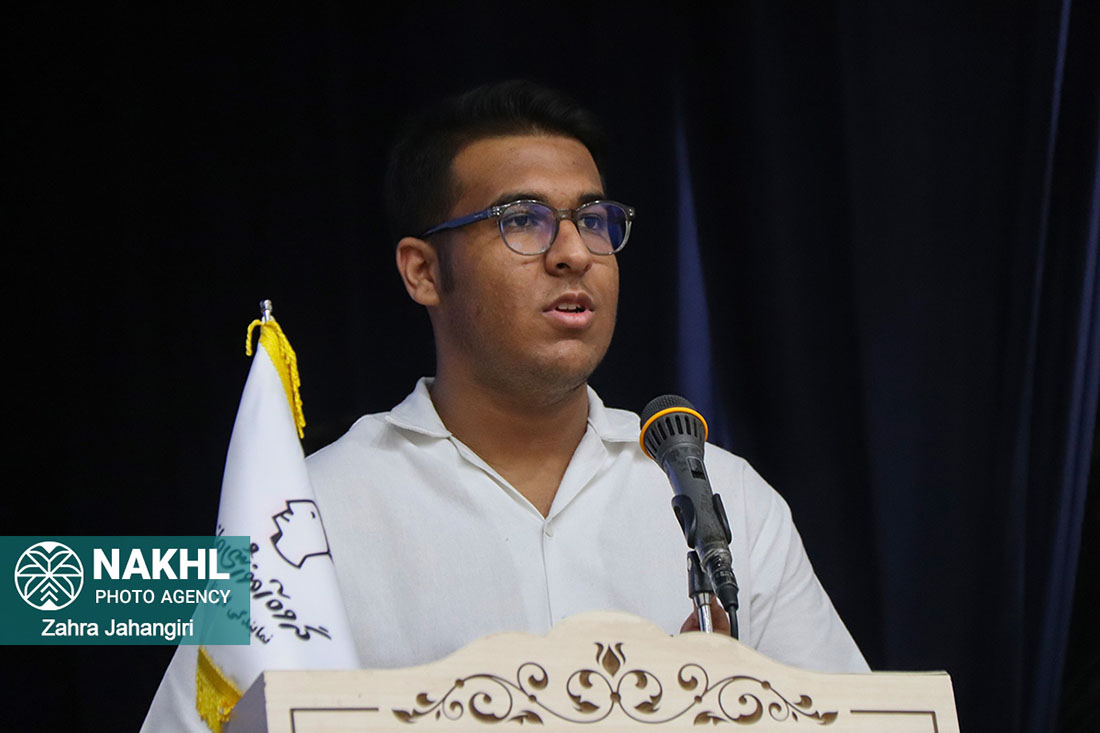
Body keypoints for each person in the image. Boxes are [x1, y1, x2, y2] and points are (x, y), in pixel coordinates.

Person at [145, 80, 867, 732]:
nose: (574, 252)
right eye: (523, 219)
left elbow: (856, 719)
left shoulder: (720, 496)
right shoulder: (306, 516)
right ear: (423, 271)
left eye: (594, 219)